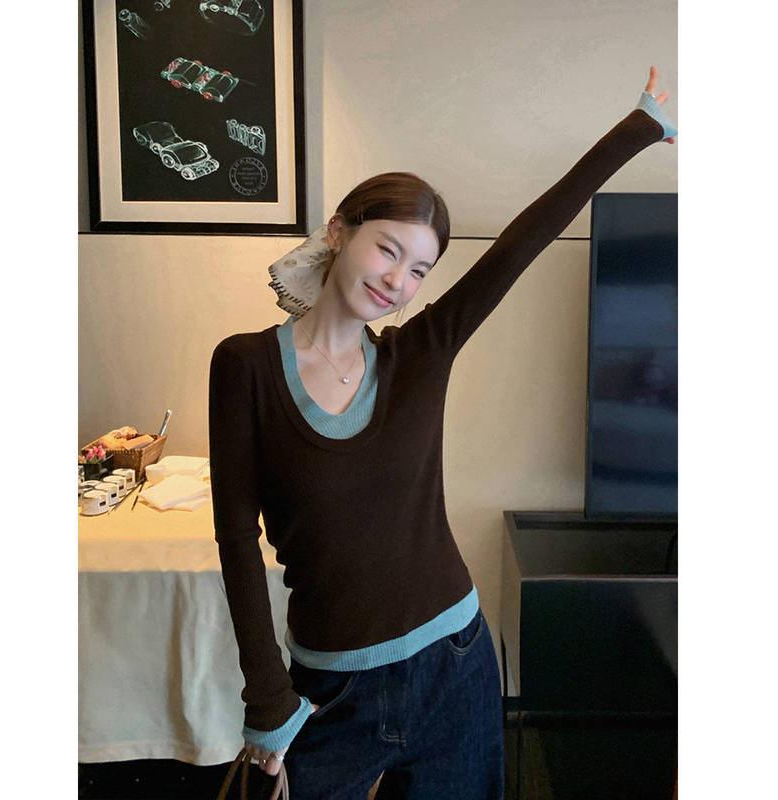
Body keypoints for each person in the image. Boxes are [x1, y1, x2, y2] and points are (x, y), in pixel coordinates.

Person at [208, 66, 676, 799]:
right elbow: (236, 537)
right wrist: (267, 699)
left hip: (454, 665)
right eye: (388, 249)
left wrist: (637, 129)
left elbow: (521, 242)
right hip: (329, 690)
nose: (398, 281)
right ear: (340, 232)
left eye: (419, 269)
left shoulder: (418, 355)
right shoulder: (244, 366)